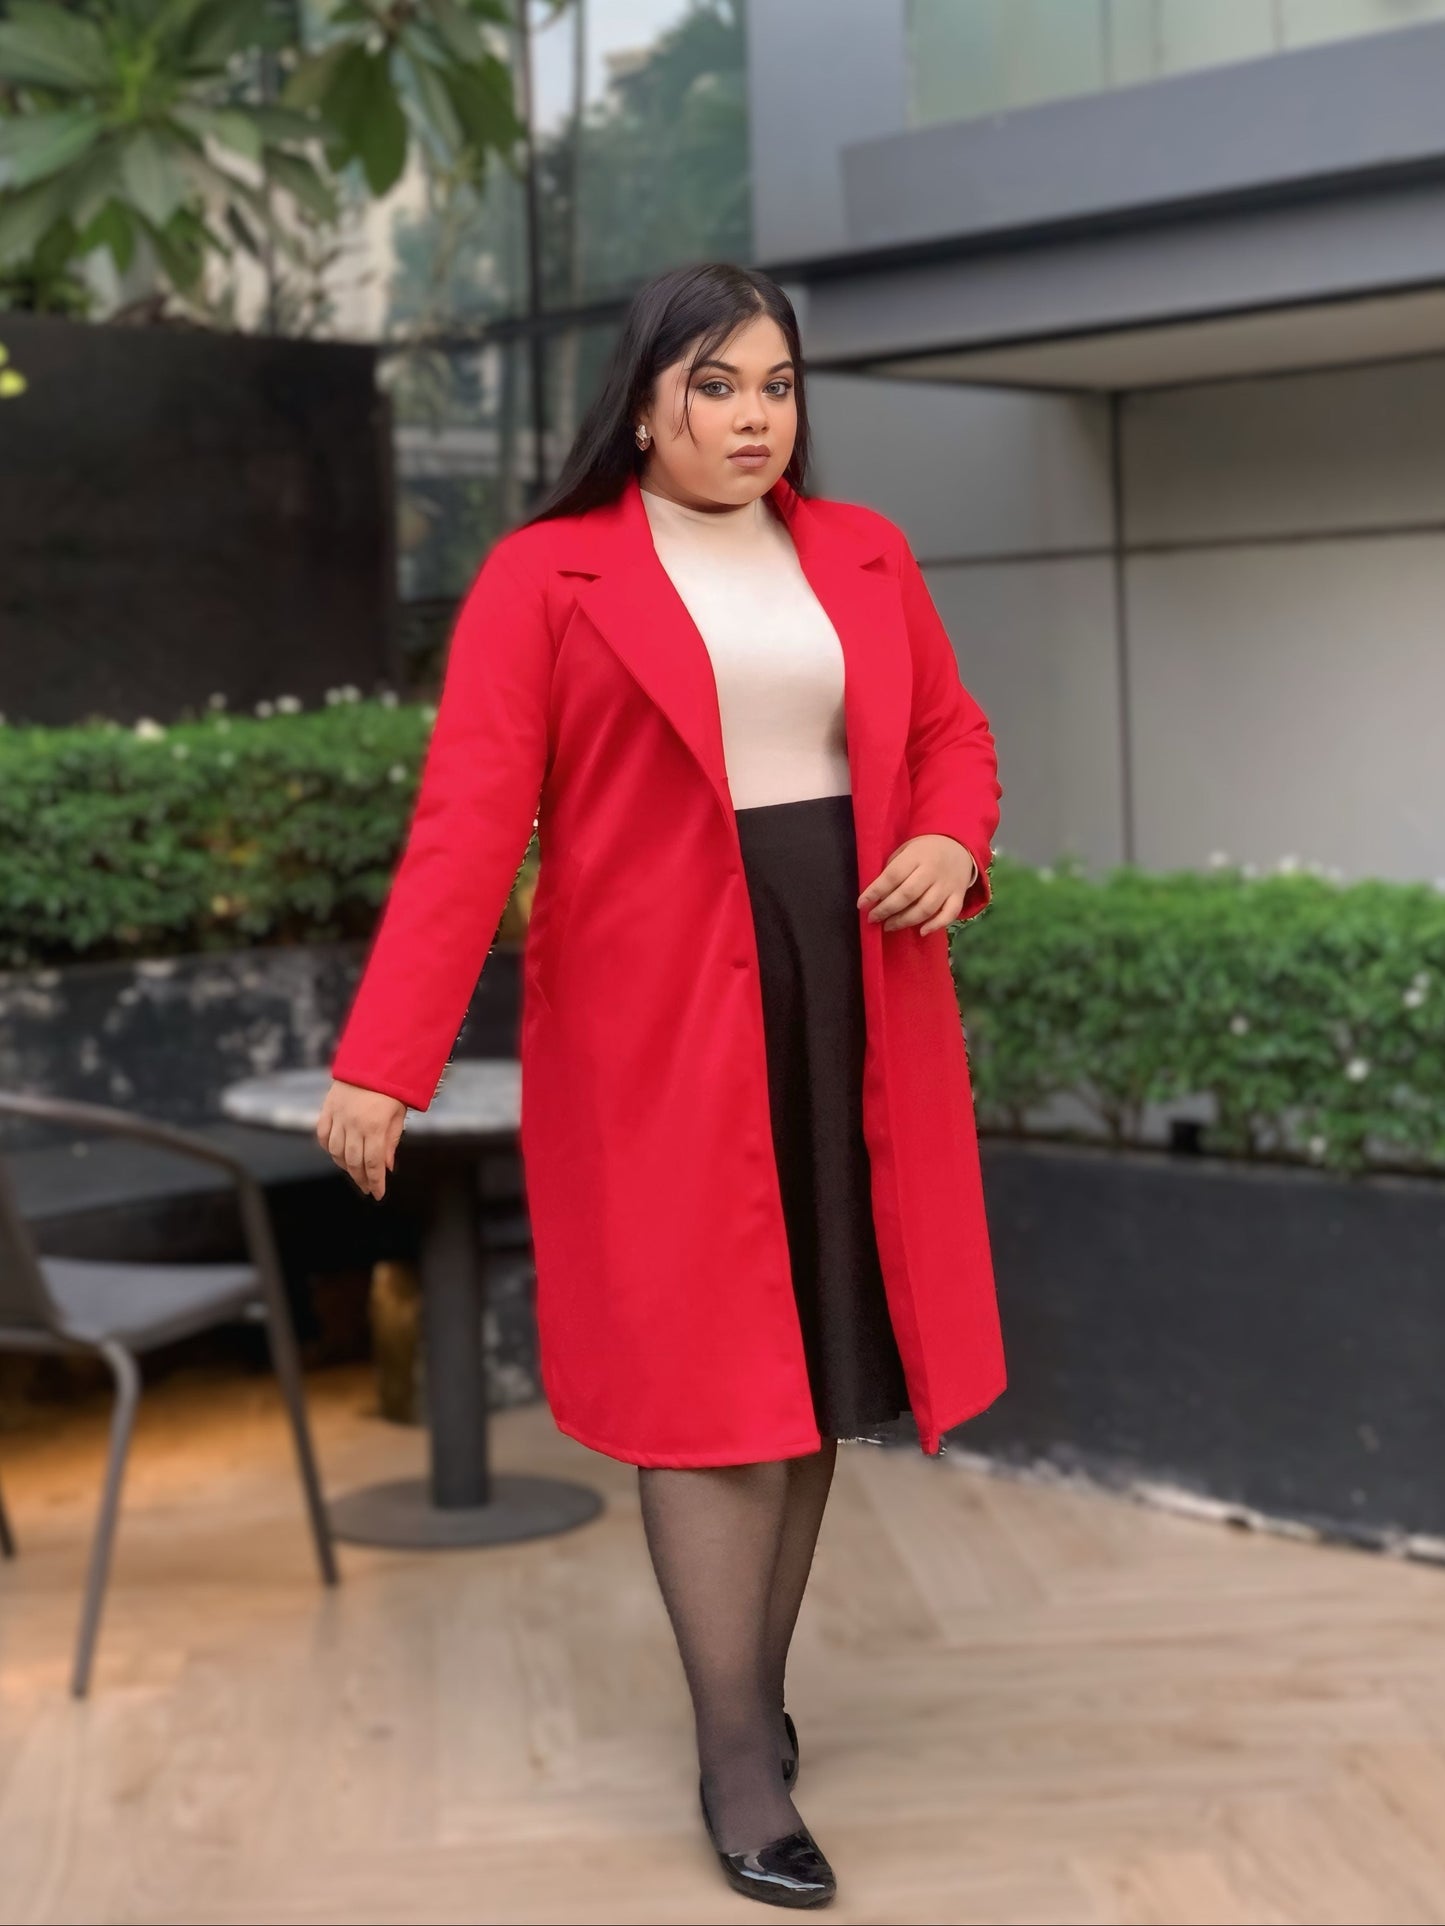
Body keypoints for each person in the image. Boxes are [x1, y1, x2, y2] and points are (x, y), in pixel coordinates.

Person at [317, 261, 1005, 1909]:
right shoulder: (543, 576)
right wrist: (383, 1059)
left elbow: (951, 739)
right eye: (718, 385)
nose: (755, 415)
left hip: (846, 978)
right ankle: (735, 1757)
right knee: (705, 1373)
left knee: (824, 1344)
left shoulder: (863, 551)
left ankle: (748, 1703)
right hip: (653, 1017)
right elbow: (468, 825)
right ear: (642, 401)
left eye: (775, 384)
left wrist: (941, 835)